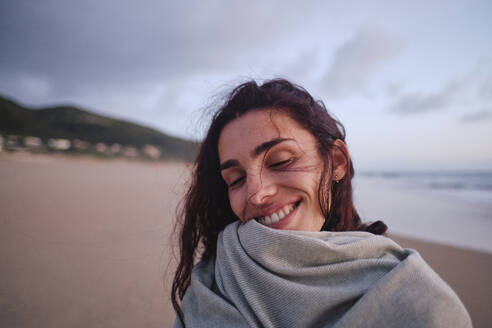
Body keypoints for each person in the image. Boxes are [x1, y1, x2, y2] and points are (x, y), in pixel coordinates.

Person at [171, 79, 471, 327]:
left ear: (337, 162)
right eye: (236, 179)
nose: (256, 193)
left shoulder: (420, 301)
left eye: (280, 160)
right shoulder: (212, 286)